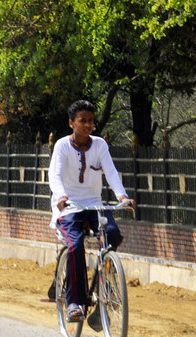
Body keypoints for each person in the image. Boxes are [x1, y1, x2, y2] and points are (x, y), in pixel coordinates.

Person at [49, 100, 135, 325]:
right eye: (82, 121)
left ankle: (102, 286)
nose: (87, 125)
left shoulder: (100, 145)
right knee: (75, 245)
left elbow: (112, 173)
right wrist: (60, 196)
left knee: (113, 235)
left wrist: (122, 197)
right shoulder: (61, 146)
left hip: (94, 205)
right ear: (71, 123)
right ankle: (75, 303)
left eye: (90, 121)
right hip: (69, 208)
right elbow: (55, 176)